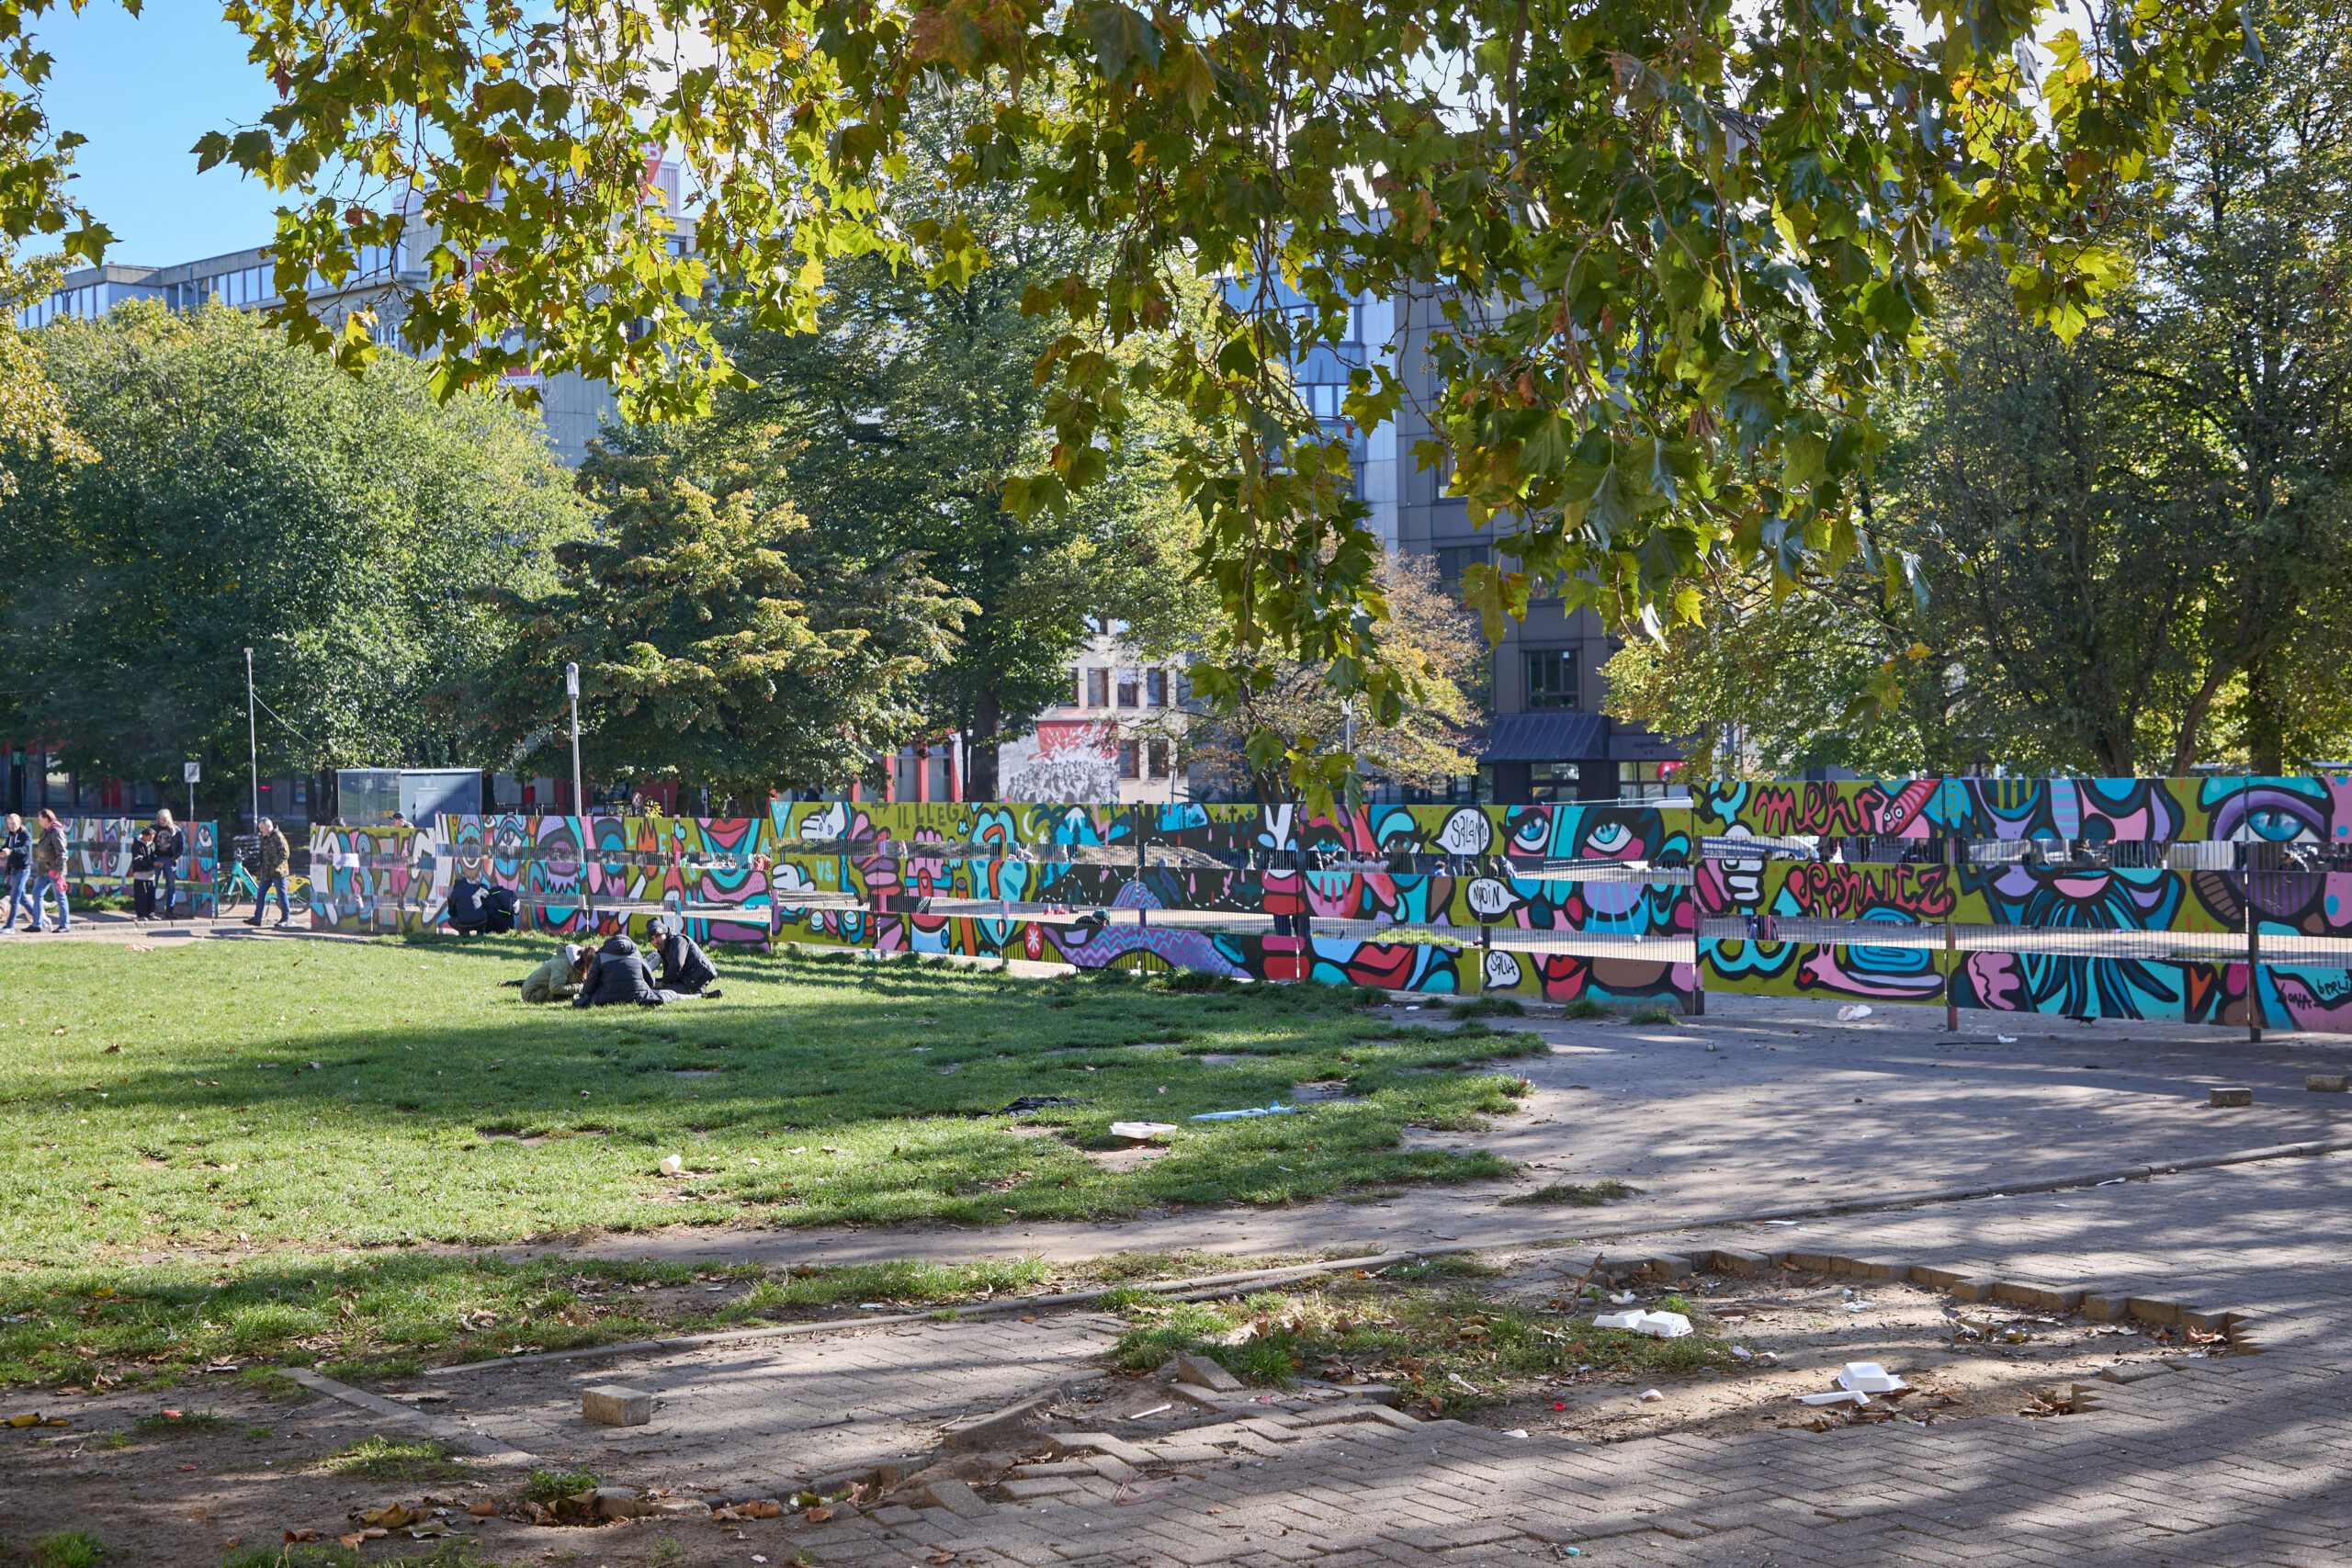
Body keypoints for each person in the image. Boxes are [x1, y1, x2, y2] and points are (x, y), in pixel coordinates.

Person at [572, 934, 675, 1007]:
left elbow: (589, 987)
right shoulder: (636, 953)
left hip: (606, 997)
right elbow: (651, 981)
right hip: (638, 996)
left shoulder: (601, 956)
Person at [246, 816, 293, 928]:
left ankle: (286, 919)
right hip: (266, 871)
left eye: (262, 827)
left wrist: (274, 864)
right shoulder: (264, 837)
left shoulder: (278, 836)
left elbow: (285, 854)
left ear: (268, 826)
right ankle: (257, 918)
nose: (261, 830)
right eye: (260, 828)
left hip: (277, 872)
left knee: (281, 895)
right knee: (261, 893)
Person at [510, 942, 593, 1002]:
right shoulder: (563, 963)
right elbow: (555, 987)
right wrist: (580, 988)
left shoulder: (575, 963)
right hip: (531, 994)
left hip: (543, 988)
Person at [654, 927, 722, 998]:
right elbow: (668, 975)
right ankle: (701, 994)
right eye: (652, 939)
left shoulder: (679, 940)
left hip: (698, 977)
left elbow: (677, 965)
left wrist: (663, 983)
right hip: (688, 978)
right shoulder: (664, 948)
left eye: (658, 936)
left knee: (663, 992)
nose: (656, 941)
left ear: (666, 934)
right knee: (655, 987)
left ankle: (701, 995)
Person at [30, 808, 68, 932]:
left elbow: (62, 852)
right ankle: (37, 923)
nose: (39, 822)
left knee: (60, 897)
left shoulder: (56, 831)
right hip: (43, 871)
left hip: (54, 871)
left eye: (40, 819)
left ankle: (64, 925)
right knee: (36, 894)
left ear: (46, 819)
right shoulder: (47, 832)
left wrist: (60, 871)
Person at [151, 810, 184, 922]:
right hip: (157, 859)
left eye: (165, 819)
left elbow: (181, 846)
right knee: (153, 885)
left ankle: (170, 910)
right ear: (158, 818)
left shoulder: (176, 830)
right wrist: (153, 858)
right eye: (161, 819)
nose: (163, 821)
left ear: (169, 819)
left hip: (170, 860)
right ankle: (151, 910)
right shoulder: (154, 828)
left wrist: (176, 858)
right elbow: (149, 844)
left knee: (171, 886)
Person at [2, 813, 29, 932]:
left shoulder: (25, 835)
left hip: (23, 870)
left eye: (14, 823)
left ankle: (10, 926)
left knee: (14, 898)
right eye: (9, 824)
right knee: (22, 898)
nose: (12, 826)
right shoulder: (11, 836)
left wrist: (10, 851)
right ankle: (39, 920)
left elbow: (25, 850)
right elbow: (5, 848)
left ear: (19, 822)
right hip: (14, 870)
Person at [130, 828, 159, 921]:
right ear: (144, 836)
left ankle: (150, 913)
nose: (152, 839)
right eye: (150, 837)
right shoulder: (136, 845)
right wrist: (152, 863)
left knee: (151, 894)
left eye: (153, 838)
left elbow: (154, 856)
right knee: (141, 895)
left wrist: (156, 861)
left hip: (150, 873)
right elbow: (138, 859)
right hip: (140, 873)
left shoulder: (152, 845)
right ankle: (141, 914)